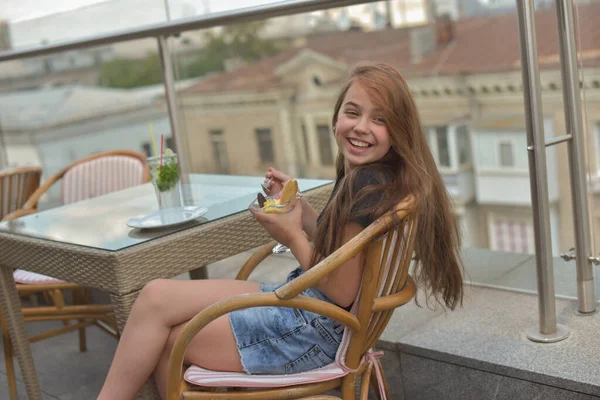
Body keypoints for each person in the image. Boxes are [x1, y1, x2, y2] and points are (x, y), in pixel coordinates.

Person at [97, 61, 464, 400]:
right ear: (336, 118)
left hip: (312, 329)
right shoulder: (379, 177)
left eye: (380, 119)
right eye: (353, 112)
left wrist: (292, 236)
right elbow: (344, 257)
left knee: (171, 342)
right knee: (156, 295)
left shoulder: (368, 185)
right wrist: (303, 212)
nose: (361, 126)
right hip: (312, 312)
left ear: (398, 131)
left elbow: (339, 290)